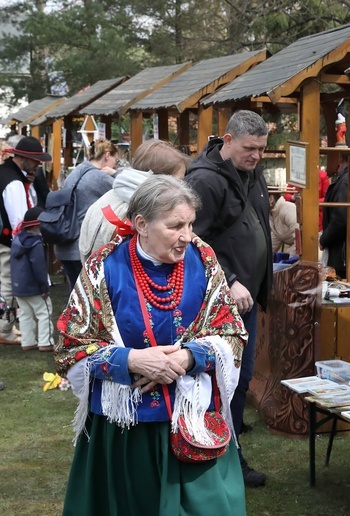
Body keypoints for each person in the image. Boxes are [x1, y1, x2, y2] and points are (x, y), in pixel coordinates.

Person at [54, 176, 247, 514]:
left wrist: (189, 357)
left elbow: (231, 332)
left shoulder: (202, 258)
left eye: (190, 223)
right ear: (141, 224)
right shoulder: (105, 266)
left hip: (192, 420)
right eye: (175, 226)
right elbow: (71, 345)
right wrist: (130, 361)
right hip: (127, 430)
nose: (187, 235)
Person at [185, 110, 272, 488]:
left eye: (261, 149)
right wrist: (231, 279)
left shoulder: (252, 171)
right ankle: (222, 458)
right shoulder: (204, 180)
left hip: (247, 299)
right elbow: (191, 241)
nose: (255, 156)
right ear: (228, 139)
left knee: (241, 378)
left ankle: (228, 451)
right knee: (222, 380)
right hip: (218, 301)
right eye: (249, 148)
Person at [79, 139, 191, 263]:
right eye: (178, 181)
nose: (182, 187)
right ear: (161, 179)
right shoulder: (140, 211)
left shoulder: (114, 194)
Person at [0, 136, 51, 345]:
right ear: (24, 158)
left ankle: (6, 327)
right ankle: (4, 329)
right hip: (9, 243)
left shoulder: (9, 174)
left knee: (7, 285)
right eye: (35, 159)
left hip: (5, 240)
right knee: (9, 286)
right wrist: (25, 245)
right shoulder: (13, 183)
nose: (38, 164)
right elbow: (19, 222)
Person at [54, 139, 118, 291]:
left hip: (64, 243)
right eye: (116, 159)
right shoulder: (99, 177)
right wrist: (116, 173)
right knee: (89, 297)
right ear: (107, 156)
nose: (116, 163)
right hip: (81, 247)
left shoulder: (76, 172)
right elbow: (128, 188)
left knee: (75, 295)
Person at [10, 206, 53, 352]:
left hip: (19, 287)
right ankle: (45, 342)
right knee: (44, 312)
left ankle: (28, 341)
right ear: (37, 225)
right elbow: (39, 269)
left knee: (25, 314)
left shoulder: (16, 241)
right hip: (34, 287)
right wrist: (44, 288)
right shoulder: (36, 244)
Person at [269, 189, 298, 254]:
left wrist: (288, 256)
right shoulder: (272, 215)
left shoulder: (287, 209)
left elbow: (301, 240)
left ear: (271, 199)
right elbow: (273, 243)